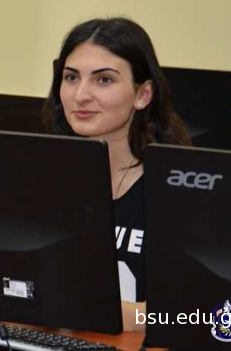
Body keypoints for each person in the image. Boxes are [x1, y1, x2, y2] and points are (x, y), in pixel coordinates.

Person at [42, 17, 190, 332]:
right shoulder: (42, 181)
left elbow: (199, 315)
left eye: (104, 80)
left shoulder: (177, 191)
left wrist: (114, 315)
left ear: (143, 94)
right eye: (71, 77)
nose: (81, 95)